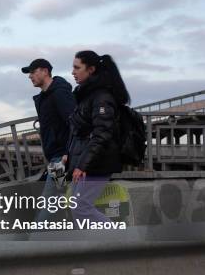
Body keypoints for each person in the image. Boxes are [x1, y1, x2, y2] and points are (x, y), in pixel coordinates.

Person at [66, 51, 130, 224]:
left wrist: (83, 165)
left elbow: (102, 134)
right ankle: (98, 246)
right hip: (88, 161)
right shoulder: (87, 95)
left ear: (91, 69)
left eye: (77, 67)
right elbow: (80, 132)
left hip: (98, 163)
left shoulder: (101, 97)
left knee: (80, 207)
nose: (73, 71)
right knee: (77, 206)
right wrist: (70, 156)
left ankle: (121, 239)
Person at [21, 58, 76, 222]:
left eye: (33, 72)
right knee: (56, 202)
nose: (30, 76)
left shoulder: (59, 93)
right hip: (55, 159)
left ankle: (35, 244)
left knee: (48, 204)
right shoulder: (45, 97)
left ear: (45, 71)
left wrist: (67, 152)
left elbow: (74, 123)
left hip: (62, 159)